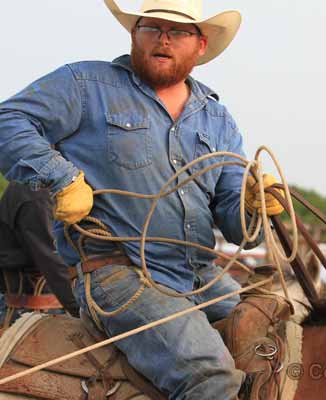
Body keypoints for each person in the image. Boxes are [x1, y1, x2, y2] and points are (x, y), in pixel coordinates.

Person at [0, 0, 284, 398]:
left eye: (178, 31)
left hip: (201, 277)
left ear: (200, 45)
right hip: (119, 274)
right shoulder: (85, 85)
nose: (163, 39)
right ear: (135, 35)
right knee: (211, 378)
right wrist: (62, 178)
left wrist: (253, 206)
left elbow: (237, 226)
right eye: (152, 28)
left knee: (284, 349)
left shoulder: (218, 120)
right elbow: (8, 120)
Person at [0, 182, 79, 322]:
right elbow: (53, 261)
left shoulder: (35, 187)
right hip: (34, 311)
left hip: (47, 303)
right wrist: (80, 311)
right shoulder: (34, 193)